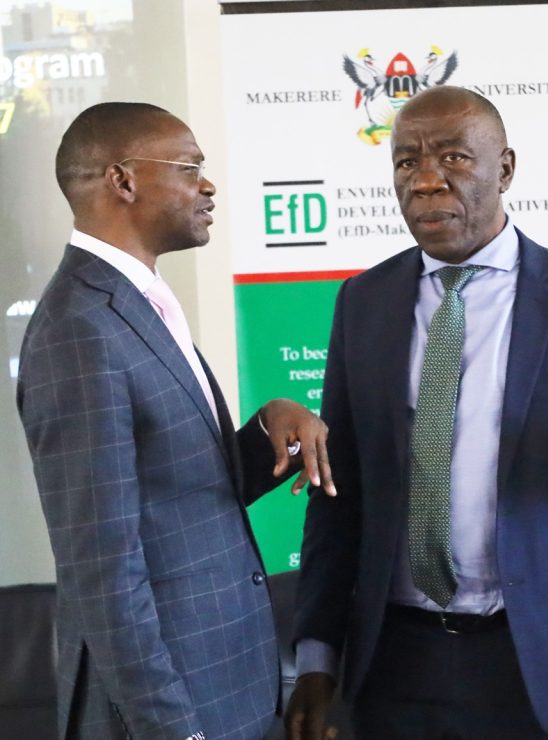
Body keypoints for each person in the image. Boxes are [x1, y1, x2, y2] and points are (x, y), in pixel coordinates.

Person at [285, 86, 548, 739]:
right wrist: (316, 657)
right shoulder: (362, 303)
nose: (425, 181)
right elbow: (337, 496)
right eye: (405, 163)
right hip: (395, 662)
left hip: (537, 659)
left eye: (453, 158)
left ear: (505, 169)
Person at [16, 102, 336, 740]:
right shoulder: (78, 329)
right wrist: (171, 728)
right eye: (190, 168)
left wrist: (271, 427)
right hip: (169, 708)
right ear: (123, 180)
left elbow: (175, 495)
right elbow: (103, 567)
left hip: (226, 684)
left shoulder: (139, 301)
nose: (208, 186)